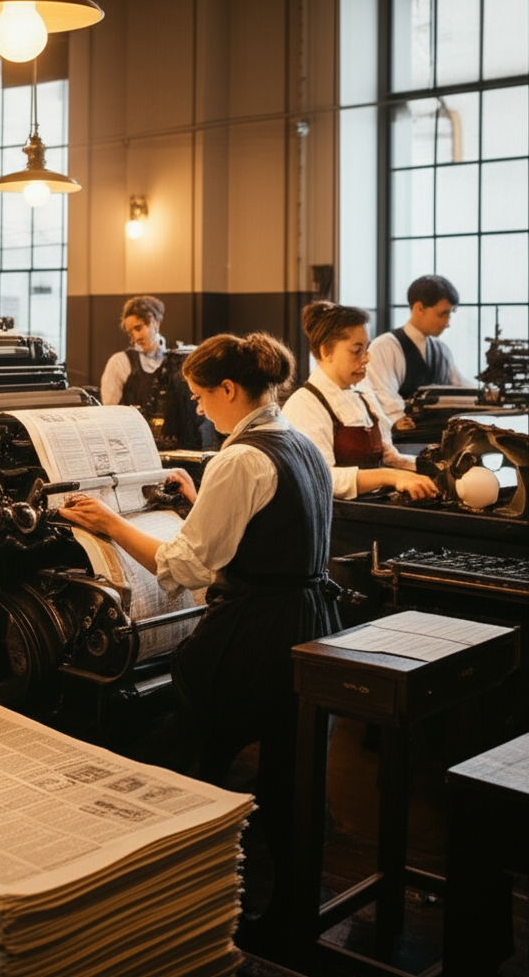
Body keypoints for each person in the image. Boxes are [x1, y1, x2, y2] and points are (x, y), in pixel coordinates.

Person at [62, 331, 336, 947]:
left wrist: (109, 523)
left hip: (254, 636)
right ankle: (287, 911)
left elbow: (187, 569)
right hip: (309, 620)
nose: (199, 408)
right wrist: (200, 499)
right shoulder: (298, 442)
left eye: (200, 396)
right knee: (288, 775)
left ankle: (157, 895)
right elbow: (267, 536)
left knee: (179, 752)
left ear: (230, 389)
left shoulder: (240, 460)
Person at [283, 301, 439, 501]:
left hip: (372, 506)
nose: (366, 359)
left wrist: (436, 465)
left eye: (366, 349)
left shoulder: (362, 396)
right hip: (337, 519)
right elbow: (322, 477)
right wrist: (392, 477)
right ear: (326, 352)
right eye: (357, 351)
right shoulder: (305, 406)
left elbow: (390, 458)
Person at [99, 295, 216, 449]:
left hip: (182, 446)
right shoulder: (120, 362)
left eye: (138, 328)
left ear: (155, 323)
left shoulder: (179, 358)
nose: (135, 337)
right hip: (137, 445)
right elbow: (110, 412)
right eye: (130, 332)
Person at [362, 274, 472, 431]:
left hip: (439, 434)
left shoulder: (442, 350)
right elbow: (382, 394)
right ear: (419, 308)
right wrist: (398, 418)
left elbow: (461, 388)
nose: (447, 323)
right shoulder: (386, 346)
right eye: (443, 314)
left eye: (450, 314)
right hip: (404, 438)